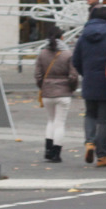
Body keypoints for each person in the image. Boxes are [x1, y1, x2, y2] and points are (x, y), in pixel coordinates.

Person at [71, 5, 106, 167]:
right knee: (105, 121)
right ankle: (102, 156)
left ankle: (89, 142)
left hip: (89, 82)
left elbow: (75, 61)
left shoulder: (83, 37)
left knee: (90, 115)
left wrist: (85, 73)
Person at [34, 27, 78, 163]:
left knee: (51, 121)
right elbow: (73, 76)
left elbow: (38, 75)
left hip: (47, 92)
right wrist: (71, 88)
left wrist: (43, 85)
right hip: (63, 92)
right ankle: (56, 153)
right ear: (62, 38)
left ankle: (48, 150)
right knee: (60, 123)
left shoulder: (42, 54)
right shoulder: (68, 54)